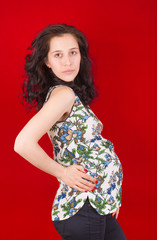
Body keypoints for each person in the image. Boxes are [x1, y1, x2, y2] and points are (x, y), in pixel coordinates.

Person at [14, 24, 127, 240]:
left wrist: (109, 193)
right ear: (47, 61)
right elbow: (22, 143)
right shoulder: (63, 94)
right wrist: (62, 172)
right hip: (83, 209)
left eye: (73, 52)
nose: (67, 62)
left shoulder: (67, 94)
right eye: (58, 55)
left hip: (96, 204)